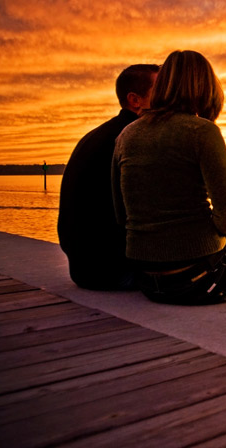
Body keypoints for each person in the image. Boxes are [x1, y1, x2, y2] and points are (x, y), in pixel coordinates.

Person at [111, 50, 226, 304]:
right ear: (206, 87)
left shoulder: (126, 135)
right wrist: (208, 238)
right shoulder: (202, 131)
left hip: (146, 278)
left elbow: (120, 214)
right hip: (197, 280)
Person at [58, 64, 159, 290]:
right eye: (161, 89)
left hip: (84, 269)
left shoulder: (100, 134)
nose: (170, 95)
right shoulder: (134, 139)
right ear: (135, 100)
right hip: (115, 271)